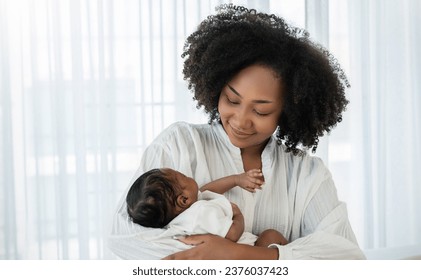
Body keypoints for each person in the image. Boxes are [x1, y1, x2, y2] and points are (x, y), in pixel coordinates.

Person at [108, 4, 366, 259]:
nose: (241, 121)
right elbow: (126, 239)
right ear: (217, 87)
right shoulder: (178, 144)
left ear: (288, 111)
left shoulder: (307, 175)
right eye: (232, 100)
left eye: (261, 111)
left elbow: (347, 259)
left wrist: (236, 254)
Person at [126, 167, 288, 248]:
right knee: (271, 236)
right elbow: (231, 235)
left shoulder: (184, 217)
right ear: (183, 199)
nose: (186, 174)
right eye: (183, 176)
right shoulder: (199, 214)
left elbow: (207, 190)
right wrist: (238, 216)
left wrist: (236, 180)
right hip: (247, 250)